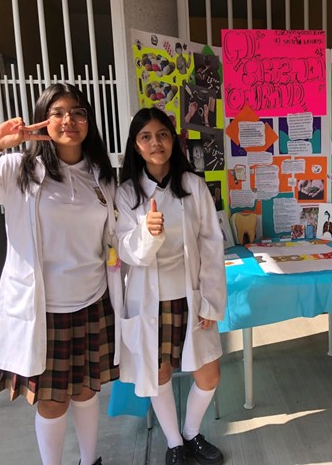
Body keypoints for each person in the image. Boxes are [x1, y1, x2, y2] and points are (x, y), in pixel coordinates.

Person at [0, 84, 123, 465]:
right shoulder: (17, 170)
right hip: (44, 311)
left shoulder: (101, 176)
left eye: (78, 112)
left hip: (93, 301)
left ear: (88, 121)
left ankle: (90, 460)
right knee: (53, 403)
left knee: (86, 392)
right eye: (58, 112)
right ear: (43, 120)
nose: (69, 120)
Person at [116, 107, 226, 465]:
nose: (155, 143)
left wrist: (211, 300)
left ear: (173, 140)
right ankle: (174, 442)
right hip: (151, 302)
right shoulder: (126, 194)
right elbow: (126, 251)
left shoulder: (193, 186)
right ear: (135, 145)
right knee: (159, 374)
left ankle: (192, 433)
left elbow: (212, 245)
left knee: (209, 374)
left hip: (191, 297)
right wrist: (147, 233)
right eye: (146, 137)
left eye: (162, 134)